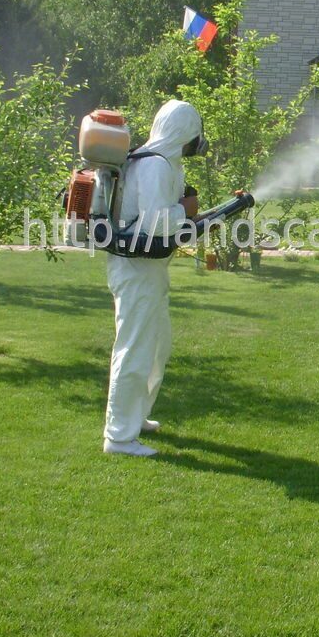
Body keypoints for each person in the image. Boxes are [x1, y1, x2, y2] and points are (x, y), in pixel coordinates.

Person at [103, 99, 207, 457]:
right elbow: (156, 223)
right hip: (136, 271)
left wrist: (184, 207)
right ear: (184, 133)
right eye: (195, 133)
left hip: (148, 270)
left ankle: (137, 415)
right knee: (134, 349)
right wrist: (186, 210)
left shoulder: (158, 162)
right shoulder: (155, 166)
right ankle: (118, 437)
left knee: (157, 345)